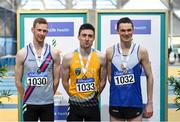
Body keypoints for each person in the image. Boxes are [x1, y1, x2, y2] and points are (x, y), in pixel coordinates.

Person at [106, 17, 154, 121]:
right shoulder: (110, 51)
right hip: (116, 102)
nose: (126, 33)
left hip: (135, 102)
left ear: (133, 30)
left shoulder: (141, 51)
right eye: (123, 30)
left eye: (129, 30)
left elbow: (149, 76)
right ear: (117, 31)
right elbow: (110, 78)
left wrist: (150, 102)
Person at [15, 18, 60, 121]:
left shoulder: (54, 53)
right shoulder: (22, 53)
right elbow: (17, 81)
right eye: (39, 30)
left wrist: (48, 95)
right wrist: (25, 96)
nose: (42, 33)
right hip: (29, 103)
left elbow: (56, 79)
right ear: (33, 30)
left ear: (47, 32)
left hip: (48, 103)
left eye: (44, 31)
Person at [62, 23, 107, 121]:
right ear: (79, 37)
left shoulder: (101, 57)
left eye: (90, 36)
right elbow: (64, 81)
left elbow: (103, 80)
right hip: (74, 104)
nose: (87, 39)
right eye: (84, 35)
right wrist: (72, 95)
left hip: (93, 104)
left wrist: (96, 95)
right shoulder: (68, 58)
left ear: (94, 38)